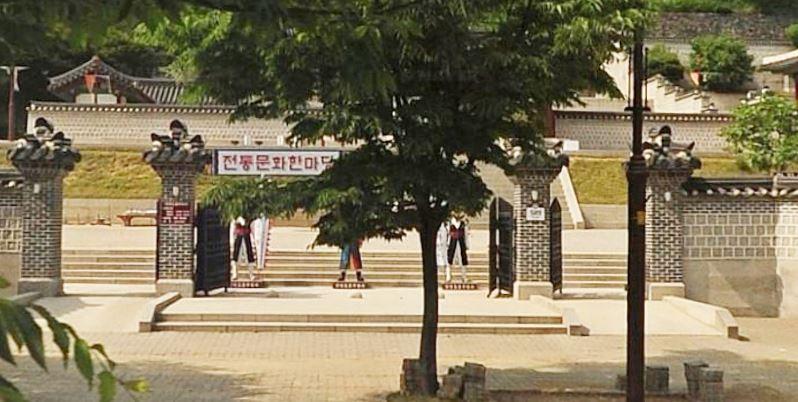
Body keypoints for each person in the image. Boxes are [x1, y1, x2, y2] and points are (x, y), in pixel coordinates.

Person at [446, 216, 469, 283]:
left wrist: (467, 244)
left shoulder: (463, 223)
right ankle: (448, 277)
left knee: (463, 259)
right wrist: (447, 243)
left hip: (461, 242)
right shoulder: (450, 223)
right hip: (452, 242)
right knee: (449, 259)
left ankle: (464, 277)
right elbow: (448, 234)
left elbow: (466, 234)